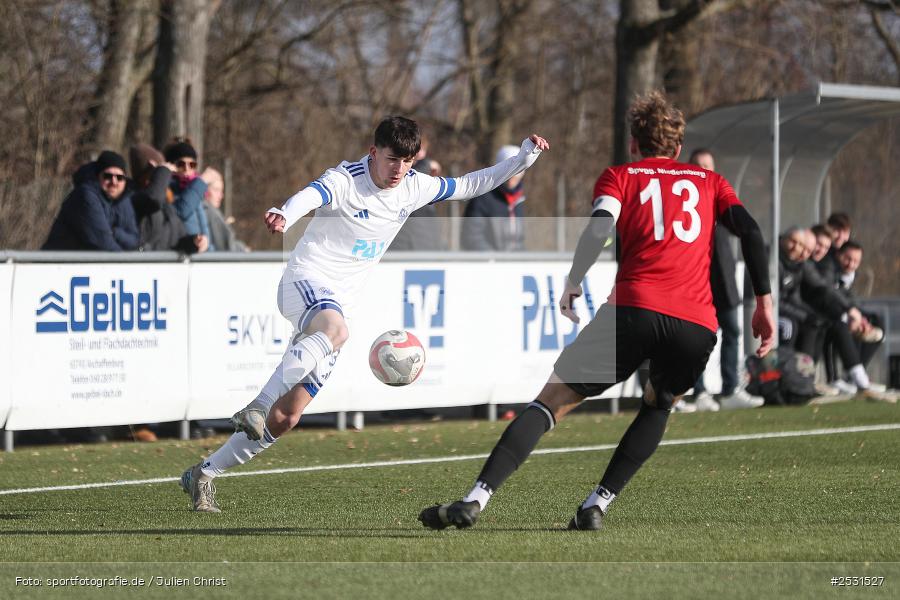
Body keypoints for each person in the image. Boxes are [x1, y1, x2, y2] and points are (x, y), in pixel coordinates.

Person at [418, 91, 775, 531]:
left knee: (551, 402)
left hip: (634, 310)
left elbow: (600, 229)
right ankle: (596, 505)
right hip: (696, 324)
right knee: (659, 406)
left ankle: (476, 498)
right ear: (678, 148)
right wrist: (765, 303)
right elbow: (752, 232)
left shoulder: (620, 176)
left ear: (633, 144)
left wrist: (574, 281)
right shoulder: (709, 181)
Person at [180, 116, 549, 512]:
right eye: (393, 160)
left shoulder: (413, 185)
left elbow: (472, 184)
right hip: (304, 282)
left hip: (338, 307)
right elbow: (312, 194)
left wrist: (525, 158)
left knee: (287, 416)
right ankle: (256, 404)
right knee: (336, 330)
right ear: (374, 152)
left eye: (407, 161)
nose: (400, 170)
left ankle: (203, 473)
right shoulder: (346, 179)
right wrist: (286, 213)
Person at [679, 148, 763, 412]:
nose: (706, 169)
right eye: (700, 165)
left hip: (725, 279)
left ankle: (730, 390)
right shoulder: (683, 197)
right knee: (701, 337)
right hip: (697, 279)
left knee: (733, 332)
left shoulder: (718, 193)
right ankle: (700, 392)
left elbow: (739, 227)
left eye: (709, 165)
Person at [43, 150, 139, 251]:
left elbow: (134, 240)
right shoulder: (85, 196)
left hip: (91, 264)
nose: (114, 182)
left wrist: (115, 233)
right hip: (60, 263)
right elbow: (102, 243)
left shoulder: (124, 199)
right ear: (98, 176)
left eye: (119, 177)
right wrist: (126, 263)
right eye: (108, 176)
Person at [129, 143, 205, 254]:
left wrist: (193, 242)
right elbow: (153, 199)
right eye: (161, 171)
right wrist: (163, 170)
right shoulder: (134, 197)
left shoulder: (166, 203)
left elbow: (176, 239)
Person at [461, 145, 527, 251]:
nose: (512, 179)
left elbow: (518, 241)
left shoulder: (519, 200)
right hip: (489, 265)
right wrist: (495, 260)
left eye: (516, 173)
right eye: (509, 173)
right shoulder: (481, 198)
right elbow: (471, 237)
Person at [163, 139, 213, 251]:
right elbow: (181, 211)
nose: (187, 169)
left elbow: (204, 229)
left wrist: (207, 245)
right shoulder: (168, 190)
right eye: (181, 164)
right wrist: (201, 182)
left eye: (192, 164)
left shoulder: (196, 191)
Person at [387, 158, 446, 251]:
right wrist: (427, 163)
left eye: (422, 151)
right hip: (403, 248)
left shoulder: (426, 185)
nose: (419, 155)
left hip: (426, 247)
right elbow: (411, 179)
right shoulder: (401, 179)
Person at [202, 167, 249, 252]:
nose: (221, 196)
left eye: (221, 191)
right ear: (205, 191)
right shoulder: (209, 211)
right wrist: (243, 249)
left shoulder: (208, 211)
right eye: (216, 190)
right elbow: (226, 246)